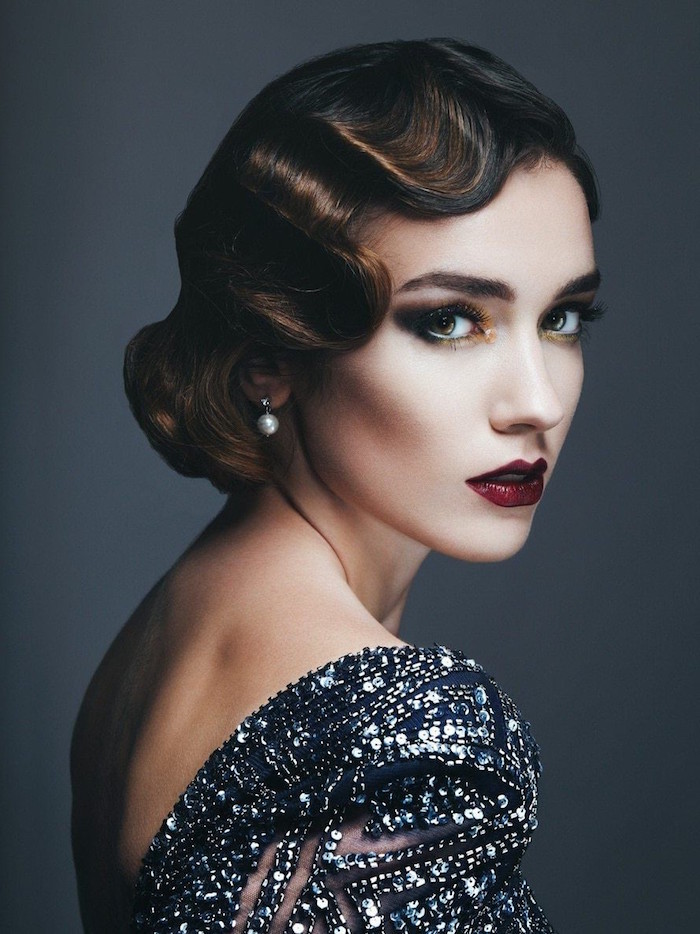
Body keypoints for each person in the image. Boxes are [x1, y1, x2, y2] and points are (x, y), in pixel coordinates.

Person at [70, 38, 604, 933]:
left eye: (561, 317)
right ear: (270, 359)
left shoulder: (166, 637)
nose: (538, 402)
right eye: (449, 321)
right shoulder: (405, 727)